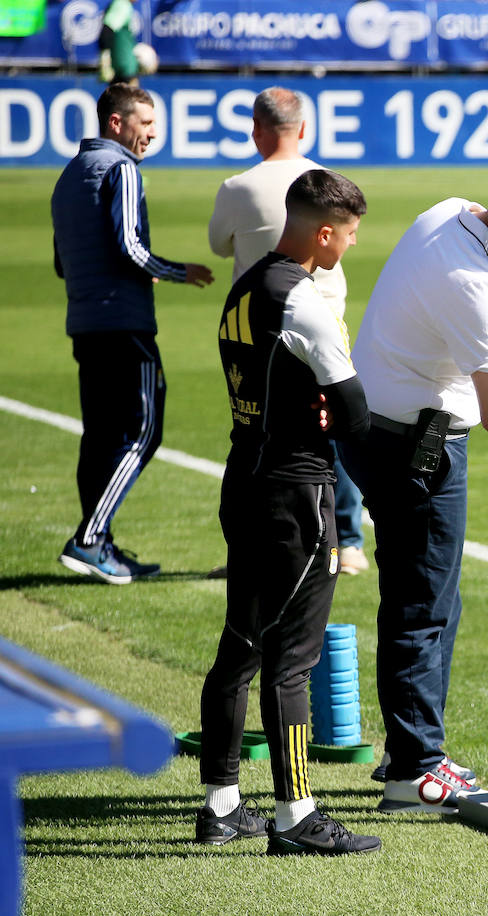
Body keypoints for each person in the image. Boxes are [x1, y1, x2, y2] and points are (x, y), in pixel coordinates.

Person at [339, 161, 488, 814]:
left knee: (425, 599)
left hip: (379, 432)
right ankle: (416, 771)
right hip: (417, 452)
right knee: (423, 607)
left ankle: (407, 749)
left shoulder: (450, 210)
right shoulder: (474, 286)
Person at [196, 169, 379, 856]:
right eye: (351, 235)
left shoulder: (248, 283)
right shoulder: (301, 298)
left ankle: (220, 805)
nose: (351, 247)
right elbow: (354, 408)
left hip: (244, 476)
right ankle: (295, 816)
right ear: (324, 231)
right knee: (292, 662)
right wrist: (337, 416)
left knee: (238, 649)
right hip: (296, 497)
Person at [51, 82, 214, 585]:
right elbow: (130, 247)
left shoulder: (69, 175)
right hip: (125, 324)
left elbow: (62, 264)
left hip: (85, 323)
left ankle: (101, 543)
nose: (152, 134)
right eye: (145, 124)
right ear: (116, 124)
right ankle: (91, 538)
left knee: (100, 436)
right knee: (144, 431)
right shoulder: (119, 168)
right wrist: (179, 271)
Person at [207, 86, 368, 578]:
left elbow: (217, 245)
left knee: (260, 427)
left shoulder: (239, 187)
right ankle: (349, 539)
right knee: (330, 420)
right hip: (323, 315)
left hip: (258, 321)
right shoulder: (326, 182)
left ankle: (261, 548)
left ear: (256, 130)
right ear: (303, 129)